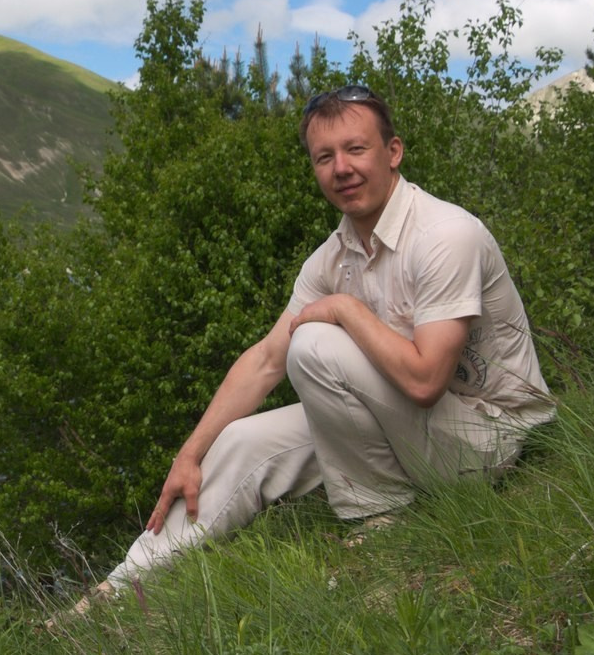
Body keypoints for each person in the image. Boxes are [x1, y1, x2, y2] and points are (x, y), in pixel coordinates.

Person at [94, 82, 553, 595]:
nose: (341, 169)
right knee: (243, 439)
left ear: (393, 152)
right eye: (324, 157)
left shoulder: (446, 235)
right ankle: (119, 589)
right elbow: (267, 359)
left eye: (356, 149)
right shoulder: (332, 257)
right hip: (414, 430)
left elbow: (425, 382)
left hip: (493, 441)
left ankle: (381, 515)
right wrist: (189, 454)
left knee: (314, 342)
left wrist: (344, 309)